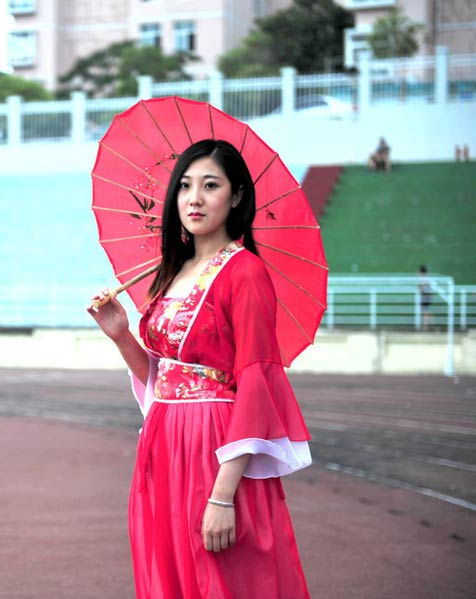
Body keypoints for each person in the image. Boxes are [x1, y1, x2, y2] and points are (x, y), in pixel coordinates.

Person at [88, 139, 311, 599]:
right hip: (164, 440)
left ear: (237, 196)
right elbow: (164, 377)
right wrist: (122, 335)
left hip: (215, 445)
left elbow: (255, 381)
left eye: (211, 185)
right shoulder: (171, 271)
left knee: (223, 579)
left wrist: (223, 495)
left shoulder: (245, 273)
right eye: (185, 186)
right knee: (172, 573)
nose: (194, 198)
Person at [418, 265, 433, 331]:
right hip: (426, 296)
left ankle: (426, 326)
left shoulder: (424, 279)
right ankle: (430, 322)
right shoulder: (425, 278)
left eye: (419, 272)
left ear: (421, 272)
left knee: (425, 312)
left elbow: (422, 288)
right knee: (426, 311)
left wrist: (420, 289)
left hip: (425, 296)